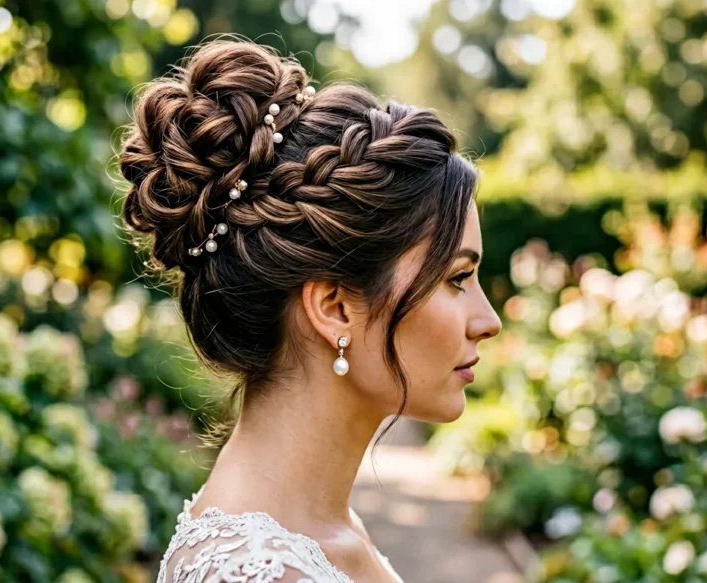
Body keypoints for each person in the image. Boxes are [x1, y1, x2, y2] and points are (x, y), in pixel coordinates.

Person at [119, 35, 502, 583]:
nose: (489, 321)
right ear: (334, 307)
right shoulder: (258, 572)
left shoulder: (317, 533)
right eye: (457, 279)